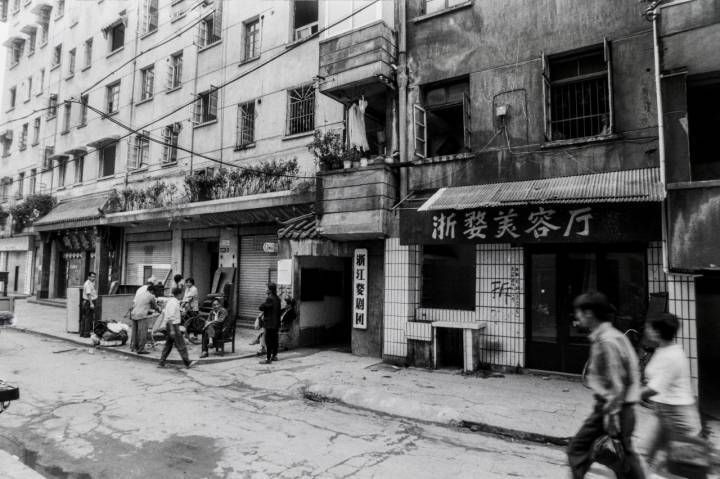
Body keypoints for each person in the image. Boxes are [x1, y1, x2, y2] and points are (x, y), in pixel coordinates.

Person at [567, 291, 646, 479]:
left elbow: (615, 382)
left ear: (589, 313)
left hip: (611, 406)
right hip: (624, 407)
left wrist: (610, 415)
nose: (577, 316)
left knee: (578, 449)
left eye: (579, 312)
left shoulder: (606, 341)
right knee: (624, 456)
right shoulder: (615, 336)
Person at [642, 312, 704, 474]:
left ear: (658, 332)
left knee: (687, 469)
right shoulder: (663, 350)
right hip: (662, 414)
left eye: (650, 327)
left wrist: (626, 396)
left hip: (680, 418)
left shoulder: (672, 356)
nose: (647, 329)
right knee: (645, 456)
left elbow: (653, 389)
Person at [158, 287, 195, 368]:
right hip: (173, 325)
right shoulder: (174, 303)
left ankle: (161, 362)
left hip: (171, 325)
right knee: (181, 345)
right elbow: (170, 317)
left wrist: (181, 314)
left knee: (168, 345)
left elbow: (172, 314)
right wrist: (172, 330)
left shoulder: (172, 301)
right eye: (181, 294)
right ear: (178, 294)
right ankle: (187, 362)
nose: (182, 295)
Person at [131, 279, 160, 354]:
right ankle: (141, 349)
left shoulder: (139, 295)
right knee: (142, 333)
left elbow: (138, 305)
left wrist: (148, 310)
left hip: (134, 314)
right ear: (152, 291)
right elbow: (155, 306)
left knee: (135, 333)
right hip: (142, 315)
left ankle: (135, 347)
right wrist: (160, 310)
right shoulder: (151, 296)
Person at [258, 283, 281, 364]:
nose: (265, 289)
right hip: (276, 323)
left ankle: (268, 359)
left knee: (268, 341)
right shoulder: (277, 298)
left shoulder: (270, 298)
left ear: (270, 290)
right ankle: (274, 356)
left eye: (266, 288)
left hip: (270, 324)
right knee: (275, 340)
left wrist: (264, 302)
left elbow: (261, 307)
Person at [80, 272, 98, 338]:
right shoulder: (88, 284)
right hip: (88, 302)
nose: (94, 278)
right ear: (89, 277)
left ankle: (82, 333)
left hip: (86, 302)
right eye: (92, 277)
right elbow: (88, 294)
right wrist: (91, 303)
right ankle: (86, 333)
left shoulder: (90, 283)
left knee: (85, 318)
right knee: (88, 318)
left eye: (94, 277)